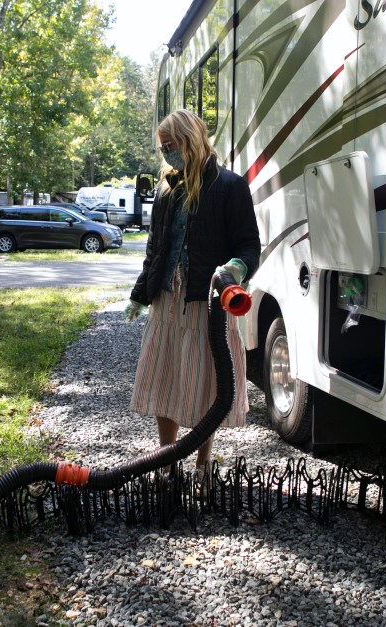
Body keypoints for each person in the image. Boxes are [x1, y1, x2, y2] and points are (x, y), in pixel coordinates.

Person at [125, 109, 260, 481]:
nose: (168, 154)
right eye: (164, 148)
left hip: (208, 302)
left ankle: (202, 464)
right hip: (168, 300)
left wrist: (236, 268)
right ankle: (167, 461)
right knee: (165, 377)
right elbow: (155, 250)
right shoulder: (167, 189)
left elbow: (249, 245)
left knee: (206, 383)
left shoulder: (230, 186)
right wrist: (140, 294)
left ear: (192, 140)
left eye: (173, 146)